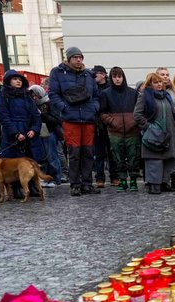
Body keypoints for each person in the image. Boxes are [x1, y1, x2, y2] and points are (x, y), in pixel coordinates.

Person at [49, 46, 100, 196]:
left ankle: (87, 183)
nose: (78, 60)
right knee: (74, 153)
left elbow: (96, 95)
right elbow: (53, 94)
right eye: (75, 57)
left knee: (88, 153)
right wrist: (64, 108)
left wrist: (94, 108)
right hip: (71, 119)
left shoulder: (88, 75)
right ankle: (75, 184)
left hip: (88, 119)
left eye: (80, 57)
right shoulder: (58, 73)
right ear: (69, 58)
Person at [134, 72, 175, 194]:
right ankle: (154, 185)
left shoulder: (166, 96)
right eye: (156, 82)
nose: (159, 84)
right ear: (150, 84)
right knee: (154, 160)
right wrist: (149, 127)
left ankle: (164, 182)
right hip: (153, 135)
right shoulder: (144, 96)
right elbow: (137, 115)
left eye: (160, 82)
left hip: (168, 133)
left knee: (168, 159)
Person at [99, 66, 140, 192]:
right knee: (118, 156)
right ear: (111, 78)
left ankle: (133, 181)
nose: (117, 79)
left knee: (134, 156)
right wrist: (112, 121)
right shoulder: (105, 93)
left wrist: (133, 121)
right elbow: (102, 113)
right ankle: (122, 181)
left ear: (123, 77)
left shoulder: (133, 93)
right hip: (114, 131)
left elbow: (139, 110)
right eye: (115, 77)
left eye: (119, 76)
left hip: (132, 130)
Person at [0, 70, 45, 164]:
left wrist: (34, 129)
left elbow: (36, 115)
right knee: (12, 166)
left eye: (20, 79)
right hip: (12, 137)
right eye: (15, 79)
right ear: (8, 81)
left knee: (33, 164)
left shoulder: (27, 96)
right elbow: (4, 118)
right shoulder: (2, 97)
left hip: (29, 135)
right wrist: (16, 133)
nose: (18, 81)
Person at [28, 85, 62, 188]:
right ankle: (46, 178)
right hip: (39, 133)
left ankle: (56, 178)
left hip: (50, 132)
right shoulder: (33, 105)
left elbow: (55, 120)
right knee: (43, 158)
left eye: (35, 96)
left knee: (52, 156)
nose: (34, 98)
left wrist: (41, 114)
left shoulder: (50, 103)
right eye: (32, 96)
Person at [91, 65, 111, 188]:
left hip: (109, 123)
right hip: (97, 124)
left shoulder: (110, 88)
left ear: (103, 75)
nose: (93, 77)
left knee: (112, 152)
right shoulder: (92, 88)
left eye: (95, 74)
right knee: (98, 153)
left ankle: (114, 176)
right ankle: (99, 178)